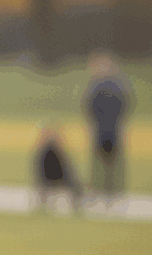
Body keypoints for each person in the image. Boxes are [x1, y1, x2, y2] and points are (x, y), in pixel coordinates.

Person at [82, 53, 133, 204]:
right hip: (106, 128)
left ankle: (109, 192)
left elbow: (88, 106)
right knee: (104, 163)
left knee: (107, 163)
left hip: (107, 129)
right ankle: (106, 191)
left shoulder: (101, 85)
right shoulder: (117, 85)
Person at [33, 121, 82, 213]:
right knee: (76, 186)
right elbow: (67, 169)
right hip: (53, 180)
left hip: (51, 180)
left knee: (76, 186)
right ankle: (77, 208)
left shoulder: (45, 151)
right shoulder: (53, 151)